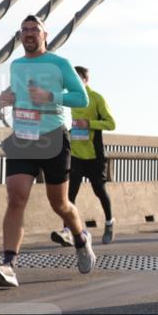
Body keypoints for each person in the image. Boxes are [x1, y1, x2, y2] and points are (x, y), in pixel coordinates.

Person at [0, 15, 96, 288]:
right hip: (23, 137)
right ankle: (9, 264)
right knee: (16, 198)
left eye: (35, 29)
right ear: (20, 36)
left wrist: (51, 97)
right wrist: (4, 98)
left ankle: (81, 239)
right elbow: (20, 89)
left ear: (46, 35)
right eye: (25, 29)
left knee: (59, 204)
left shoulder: (60, 64)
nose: (30, 33)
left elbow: (81, 97)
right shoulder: (17, 65)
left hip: (53, 138)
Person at [51, 66, 116, 247]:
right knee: (69, 194)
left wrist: (88, 123)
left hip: (95, 155)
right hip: (77, 154)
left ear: (86, 80)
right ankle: (67, 231)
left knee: (99, 190)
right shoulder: (72, 99)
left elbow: (111, 123)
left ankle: (110, 222)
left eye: (79, 80)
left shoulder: (96, 98)